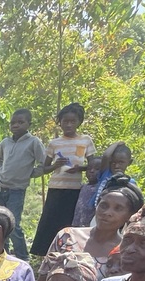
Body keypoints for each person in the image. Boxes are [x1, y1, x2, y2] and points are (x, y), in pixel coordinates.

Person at [37, 174, 144, 281]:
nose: (108, 213)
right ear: (96, 206)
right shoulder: (67, 236)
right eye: (104, 205)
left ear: (129, 216)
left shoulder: (126, 252)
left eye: (118, 209)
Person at [31, 103, 98, 257]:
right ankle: (47, 253)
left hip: (75, 189)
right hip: (56, 187)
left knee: (69, 222)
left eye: (72, 121)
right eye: (64, 121)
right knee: (50, 220)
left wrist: (79, 169)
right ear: (59, 122)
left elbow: (93, 165)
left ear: (78, 122)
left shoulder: (85, 140)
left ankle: (68, 253)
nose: (68, 125)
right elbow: (44, 168)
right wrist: (55, 165)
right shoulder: (55, 143)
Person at [0, 108, 45, 257]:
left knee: (13, 226)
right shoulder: (5, 143)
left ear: (29, 124)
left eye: (20, 122)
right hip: (0, 189)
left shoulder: (34, 142)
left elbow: (43, 163)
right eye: (13, 122)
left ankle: (23, 257)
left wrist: (28, 174)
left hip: (17, 191)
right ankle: (2, 256)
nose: (16, 125)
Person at [71, 159, 103, 227]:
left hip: (90, 224)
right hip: (77, 222)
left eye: (97, 169)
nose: (92, 171)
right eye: (89, 169)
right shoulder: (83, 186)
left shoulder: (101, 188)